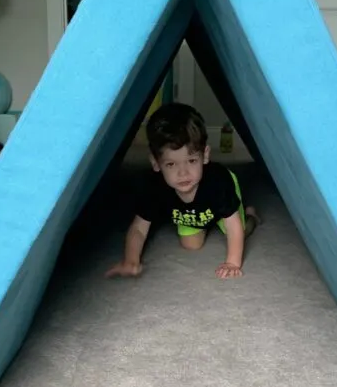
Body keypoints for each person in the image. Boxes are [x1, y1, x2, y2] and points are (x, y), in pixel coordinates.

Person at [106, 103, 259, 280]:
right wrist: (130, 261)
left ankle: (251, 216)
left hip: (220, 202)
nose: (183, 173)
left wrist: (232, 263)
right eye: (171, 164)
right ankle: (205, 223)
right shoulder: (154, 186)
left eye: (192, 161)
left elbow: (233, 225)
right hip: (191, 212)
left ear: (205, 155)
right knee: (191, 244)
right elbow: (139, 228)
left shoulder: (219, 182)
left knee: (238, 230)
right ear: (156, 163)